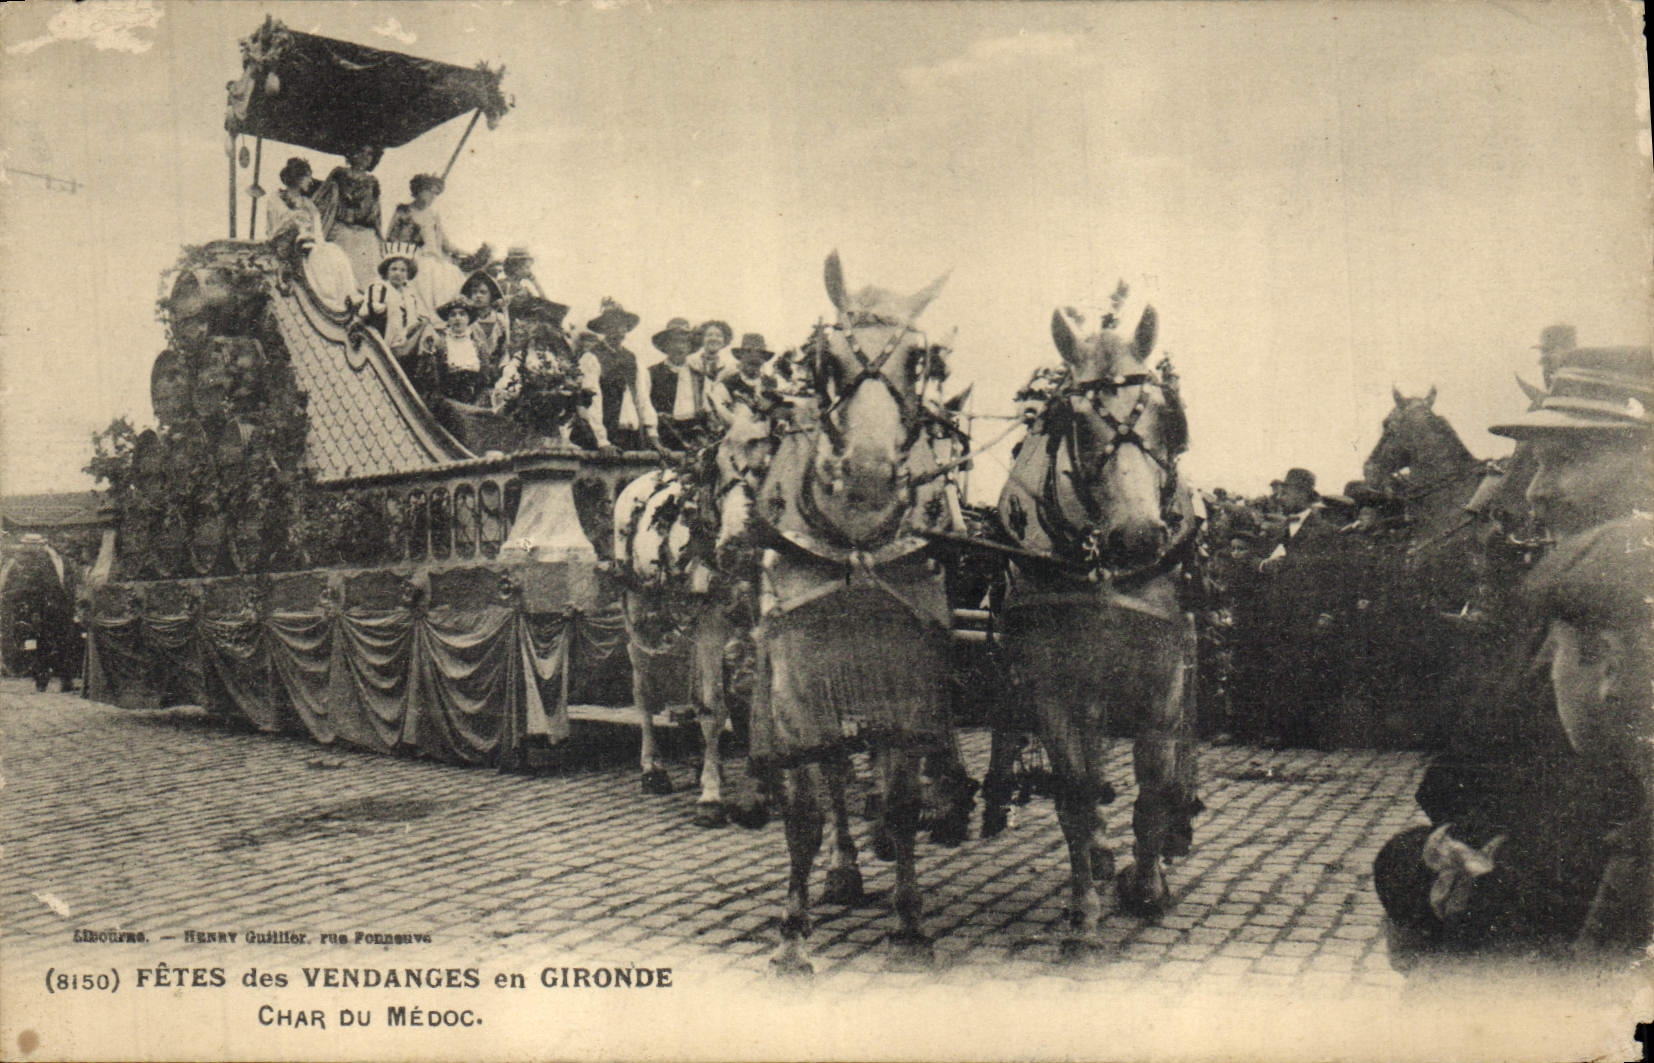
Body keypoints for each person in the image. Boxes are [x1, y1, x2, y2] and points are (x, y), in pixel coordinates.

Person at [1373, 344, 1653, 969]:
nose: (1535, 492)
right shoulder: (1567, 600)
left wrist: (1453, 872)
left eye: (1566, 461)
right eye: (1537, 463)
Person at [265, 157, 358, 313]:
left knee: (333, 251)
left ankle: (347, 295)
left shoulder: (308, 203)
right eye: (307, 176)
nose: (310, 181)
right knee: (316, 255)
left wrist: (318, 243)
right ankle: (328, 297)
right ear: (297, 177)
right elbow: (276, 227)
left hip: (307, 244)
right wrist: (295, 219)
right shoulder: (276, 198)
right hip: (285, 245)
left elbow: (317, 231)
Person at [387, 174, 466, 314]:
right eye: (429, 192)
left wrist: (464, 252)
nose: (432, 197)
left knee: (452, 273)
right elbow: (391, 237)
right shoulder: (404, 211)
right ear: (418, 190)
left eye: (435, 194)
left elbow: (444, 242)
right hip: (410, 256)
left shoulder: (433, 215)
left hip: (434, 258)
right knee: (424, 273)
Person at [313, 145, 385, 288]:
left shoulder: (373, 182)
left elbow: (376, 211)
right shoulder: (339, 173)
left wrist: (380, 235)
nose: (365, 157)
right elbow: (323, 196)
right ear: (352, 153)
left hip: (364, 230)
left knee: (370, 251)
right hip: (341, 227)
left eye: (369, 154)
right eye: (361, 151)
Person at [585, 299, 653, 451]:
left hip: (632, 434)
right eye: (611, 325)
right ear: (603, 328)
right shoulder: (592, 357)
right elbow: (592, 401)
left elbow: (642, 397)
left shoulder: (631, 358)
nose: (617, 330)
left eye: (621, 325)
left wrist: (651, 433)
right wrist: (602, 441)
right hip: (605, 435)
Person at [360, 243, 434, 372]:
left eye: (403, 270)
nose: (398, 274)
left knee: (427, 331)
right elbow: (366, 312)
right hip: (387, 342)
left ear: (407, 274)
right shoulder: (379, 289)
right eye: (394, 269)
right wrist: (379, 308)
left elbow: (421, 317)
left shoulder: (410, 294)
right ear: (386, 271)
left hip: (406, 340)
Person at [646, 317, 707, 450]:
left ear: (689, 347)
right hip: (662, 437)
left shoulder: (698, 375)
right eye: (674, 341)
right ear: (665, 346)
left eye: (684, 342)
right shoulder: (652, 373)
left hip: (694, 439)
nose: (679, 347)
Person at [710, 333, 777, 428]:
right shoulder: (728, 384)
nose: (754, 356)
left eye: (759, 354)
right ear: (741, 357)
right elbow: (721, 413)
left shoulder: (770, 382)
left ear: (763, 359)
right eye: (748, 352)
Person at [433, 299, 485, 404]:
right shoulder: (441, 345)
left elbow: (485, 378)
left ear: (469, 319)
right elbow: (436, 380)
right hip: (449, 400)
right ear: (448, 320)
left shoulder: (478, 345)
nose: (457, 318)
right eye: (453, 315)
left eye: (462, 314)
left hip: (476, 400)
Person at [462, 270, 508, 370]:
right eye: (474, 292)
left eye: (483, 292)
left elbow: (506, 350)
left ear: (491, 296)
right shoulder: (466, 321)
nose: (478, 296)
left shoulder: (500, 320)